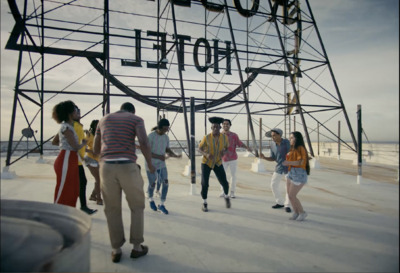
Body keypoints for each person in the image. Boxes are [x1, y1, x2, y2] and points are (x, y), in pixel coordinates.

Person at [93, 102, 155, 263]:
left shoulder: (103, 120)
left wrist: (105, 158)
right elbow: (144, 142)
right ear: (132, 111)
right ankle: (136, 247)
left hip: (106, 167)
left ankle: (116, 249)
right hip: (128, 166)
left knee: (111, 208)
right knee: (137, 206)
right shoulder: (136, 119)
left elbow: (95, 147)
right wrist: (149, 163)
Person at [51, 100, 87, 207]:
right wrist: (84, 143)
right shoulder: (67, 127)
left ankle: (68, 210)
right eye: (76, 111)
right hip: (67, 158)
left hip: (69, 158)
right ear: (70, 113)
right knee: (64, 188)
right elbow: (75, 146)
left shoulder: (67, 126)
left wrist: (64, 145)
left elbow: (55, 142)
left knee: (73, 188)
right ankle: (59, 210)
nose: (78, 113)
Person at [146, 119, 182, 215]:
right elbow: (146, 152)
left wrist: (175, 155)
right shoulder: (150, 136)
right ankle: (150, 199)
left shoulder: (166, 137)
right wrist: (159, 157)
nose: (167, 130)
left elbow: (167, 149)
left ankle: (162, 204)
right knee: (152, 184)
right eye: (166, 128)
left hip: (161, 164)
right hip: (150, 164)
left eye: (168, 128)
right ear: (161, 127)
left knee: (165, 183)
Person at [198, 116, 231, 212]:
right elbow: (199, 149)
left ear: (220, 128)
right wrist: (206, 154)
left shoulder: (224, 138)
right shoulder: (206, 137)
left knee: (224, 182)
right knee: (205, 184)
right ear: (211, 128)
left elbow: (227, 148)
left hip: (217, 162)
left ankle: (226, 196)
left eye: (217, 127)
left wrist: (224, 152)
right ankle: (204, 202)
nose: (215, 129)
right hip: (206, 163)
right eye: (214, 127)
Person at [260, 128, 292, 213]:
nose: (273, 137)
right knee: (273, 185)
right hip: (279, 168)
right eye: (272, 136)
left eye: (274, 135)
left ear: (279, 135)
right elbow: (273, 158)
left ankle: (287, 205)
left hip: (289, 168)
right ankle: (280, 202)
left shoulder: (287, 142)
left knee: (288, 188)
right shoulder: (273, 145)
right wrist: (264, 157)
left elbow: (292, 154)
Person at [73, 107, 97, 215]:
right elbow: (57, 141)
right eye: (76, 112)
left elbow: (80, 145)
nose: (79, 114)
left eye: (79, 112)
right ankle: (80, 206)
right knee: (80, 182)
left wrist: (82, 149)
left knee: (82, 182)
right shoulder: (71, 126)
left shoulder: (79, 127)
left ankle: (83, 206)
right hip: (72, 160)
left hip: (78, 160)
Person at [220, 119, 251, 198]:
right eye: (224, 124)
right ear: (222, 125)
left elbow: (239, 143)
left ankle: (232, 192)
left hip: (233, 158)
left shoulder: (234, 135)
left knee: (233, 176)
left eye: (227, 124)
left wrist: (247, 147)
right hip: (222, 159)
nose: (225, 125)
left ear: (230, 125)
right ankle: (223, 191)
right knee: (222, 176)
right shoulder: (219, 135)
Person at [282, 131, 310, 221]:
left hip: (299, 173)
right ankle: (296, 212)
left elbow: (301, 162)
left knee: (292, 195)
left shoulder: (300, 148)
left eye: (292, 138)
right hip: (291, 172)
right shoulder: (292, 148)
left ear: (297, 139)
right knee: (289, 195)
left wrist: (288, 162)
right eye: (290, 137)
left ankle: (302, 212)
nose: (290, 139)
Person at [84, 120, 103, 205]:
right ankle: (99, 199)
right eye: (97, 125)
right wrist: (92, 151)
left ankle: (93, 196)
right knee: (98, 180)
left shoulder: (101, 135)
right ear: (93, 126)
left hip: (98, 160)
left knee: (101, 180)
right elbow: (82, 147)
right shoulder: (89, 135)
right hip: (90, 158)